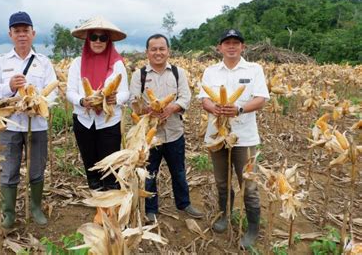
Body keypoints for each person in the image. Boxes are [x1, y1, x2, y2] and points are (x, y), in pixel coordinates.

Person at [0, 11, 57, 228]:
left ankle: (35, 208)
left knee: (36, 168)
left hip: (37, 125)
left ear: (33, 34)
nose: (22, 35)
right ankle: (8, 214)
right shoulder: (1, 63)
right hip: (10, 125)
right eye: (17, 31)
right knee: (9, 169)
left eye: (26, 30)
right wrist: (9, 87)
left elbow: (53, 91)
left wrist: (37, 102)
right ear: (10, 34)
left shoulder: (43, 62)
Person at [198, 29, 270, 248]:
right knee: (222, 181)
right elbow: (204, 99)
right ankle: (223, 216)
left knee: (248, 185)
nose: (231, 46)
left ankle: (253, 228)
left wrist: (238, 109)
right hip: (217, 136)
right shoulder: (211, 71)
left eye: (235, 43)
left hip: (244, 138)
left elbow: (261, 99)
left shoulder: (254, 69)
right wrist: (215, 108)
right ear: (219, 47)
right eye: (227, 42)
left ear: (242, 47)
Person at [129, 34, 203, 222]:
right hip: (149, 135)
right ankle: (151, 208)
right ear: (147, 52)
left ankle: (184, 204)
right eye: (153, 49)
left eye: (162, 49)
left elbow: (185, 97)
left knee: (178, 171)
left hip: (174, 132)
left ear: (168, 51)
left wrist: (171, 108)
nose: (158, 53)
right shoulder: (140, 75)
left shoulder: (179, 73)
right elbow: (133, 100)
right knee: (150, 172)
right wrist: (149, 109)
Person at [66, 16, 129, 191]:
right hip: (84, 121)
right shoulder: (76, 64)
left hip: (109, 122)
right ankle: (97, 198)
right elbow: (70, 91)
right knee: (91, 166)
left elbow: (125, 92)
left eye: (103, 38)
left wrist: (114, 99)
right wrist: (81, 101)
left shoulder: (117, 65)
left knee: (110, 166)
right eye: (94, 37)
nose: (98, 41)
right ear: (88, 39)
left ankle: (110, 201)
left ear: (109, 41)